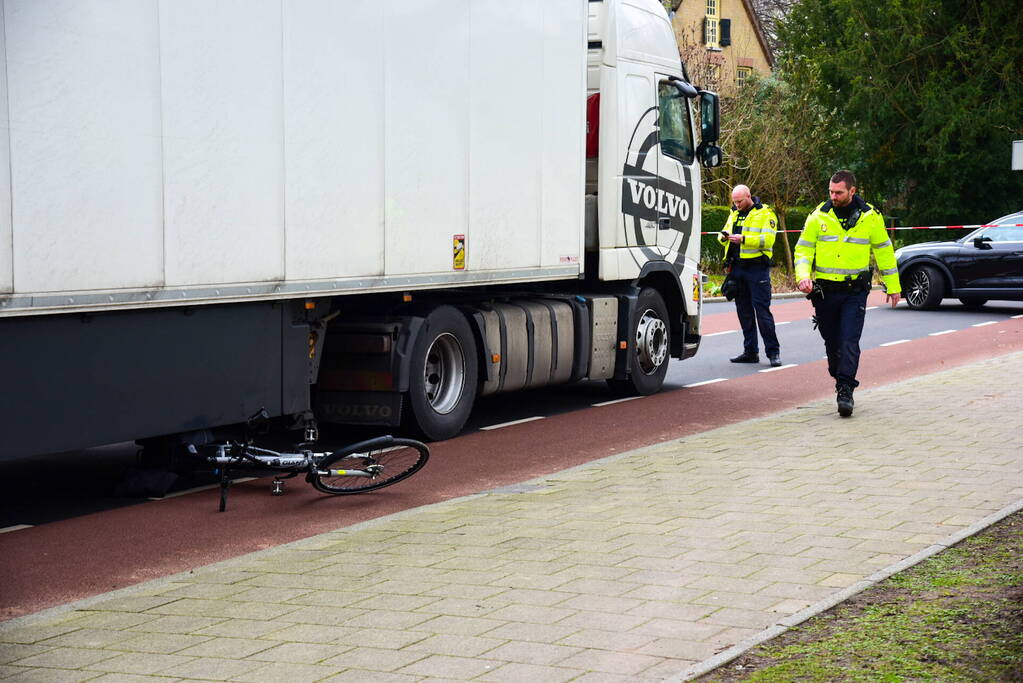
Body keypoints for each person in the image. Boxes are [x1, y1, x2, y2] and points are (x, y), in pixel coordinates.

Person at [795, 170, 901, 417]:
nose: (833, 196)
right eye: (831, 191)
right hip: (825, 293)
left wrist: (893, 285)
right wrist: (802, 276)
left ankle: (845, 390)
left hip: (855, 292)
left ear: (852, 191)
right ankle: (838, 371)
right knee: (832, 342)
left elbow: (884, 251)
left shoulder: (870, 217)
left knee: (849, 340)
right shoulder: (818, 216)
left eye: (839, 192)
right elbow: (803, 251)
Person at [718, 184, 781, 367]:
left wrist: (744, 239)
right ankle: (750, 351)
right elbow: (722, 235)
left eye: (739, 201)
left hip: (757, 268)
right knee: (744, 312)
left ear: (748, 197)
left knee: (762, 312)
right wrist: (724, 237)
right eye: (734, 202)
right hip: (737, 269)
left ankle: (773, 353)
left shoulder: (765, 214)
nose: (737, 205)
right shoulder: (734, 213)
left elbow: (768, 240)